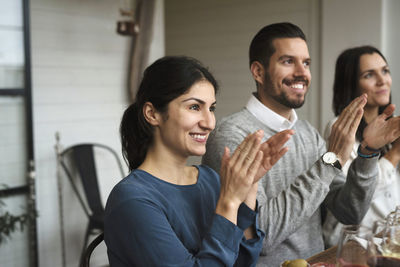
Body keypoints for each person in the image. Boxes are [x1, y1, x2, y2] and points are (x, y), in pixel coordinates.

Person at [202, 22, 400, 267]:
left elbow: (350, 212)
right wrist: (330, 160)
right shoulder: (231, 135)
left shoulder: (308, 133)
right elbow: (261, 236)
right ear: (258, 72)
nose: (301, 72)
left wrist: (368, 154)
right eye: (288, 61)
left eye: (306, 63)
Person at [104, 56, 294, 267]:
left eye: (211, 108)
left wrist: (248, 188)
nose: (209, 123)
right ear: (152, 114)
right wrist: (228, 202)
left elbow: (242, 261)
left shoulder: (208, 179)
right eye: (194, 107)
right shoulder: (133, 200)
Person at [322, 45, 400, 247]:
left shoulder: (389, 127)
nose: (382, 80)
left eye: (385, 71)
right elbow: (356, 199)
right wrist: (395, 154)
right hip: (351, 244)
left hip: (386, 242)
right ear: (351, 84)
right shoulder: (339, 128)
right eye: (369, 75)